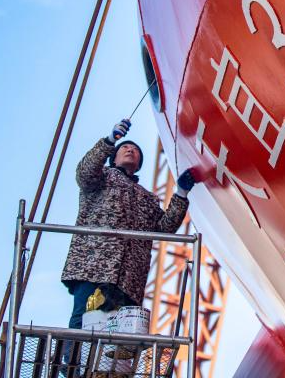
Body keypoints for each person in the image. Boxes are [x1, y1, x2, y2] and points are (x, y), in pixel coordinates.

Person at [60, 118, 201, 331]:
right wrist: (109, 141)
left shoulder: (148, 198)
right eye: (125, 147)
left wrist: (181, 193)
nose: (130, 150)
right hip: (93, 267)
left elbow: (165, 228)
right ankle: (71, 355)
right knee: (83, 320)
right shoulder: (101, 178)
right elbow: (85, 173)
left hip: (129, 279)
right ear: (113, 158)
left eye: (135, 150)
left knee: (120, 335)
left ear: (139, 164)